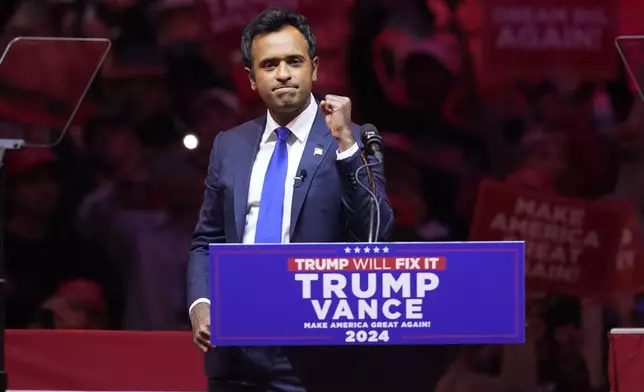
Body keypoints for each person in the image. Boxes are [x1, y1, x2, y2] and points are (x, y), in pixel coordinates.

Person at [186, 7, 393, 392]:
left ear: (314, 68)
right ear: (251, 78)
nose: (283, 74)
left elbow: (374, 234)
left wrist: (345, 145)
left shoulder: (353, 139)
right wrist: (201, 304)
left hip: (312, 354)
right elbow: (206, 241)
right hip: (234, 348)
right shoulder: (229, 146)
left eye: (294, 61)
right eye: (269, 64)